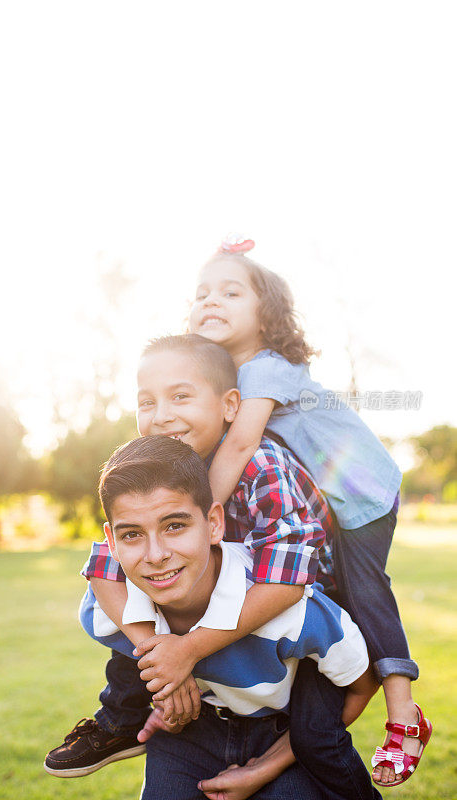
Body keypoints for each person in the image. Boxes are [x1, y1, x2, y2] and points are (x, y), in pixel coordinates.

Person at [45, 334, 382, 800]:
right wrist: (160, 656)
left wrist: (186, 653)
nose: (161, 415)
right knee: (140, 616)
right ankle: (122, 719)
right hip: (201, 591)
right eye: (147, 401)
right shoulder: (155, 470)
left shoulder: (261, 462)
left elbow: (287, 580)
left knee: (314, 734)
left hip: (302, 600)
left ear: (230, 406)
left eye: (180, 396)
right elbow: (104, 566)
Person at [187, 235, 432, 788]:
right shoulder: (226, 377)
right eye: (201, 292)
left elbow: (241, 446)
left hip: (361, 494)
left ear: (266, 313)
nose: (211, 301)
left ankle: (404, 712)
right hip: (327, 505)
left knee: (365, 593)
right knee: (332, 617)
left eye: (230, 291)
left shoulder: (265, 368)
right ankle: (296, 742)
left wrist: (198, 514)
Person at [81, 434, 375, 800]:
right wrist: (166, 670)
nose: (155, 555)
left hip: (281, 735)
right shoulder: (110, 605)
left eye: (175, 526)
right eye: (132, 534)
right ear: (111, 541)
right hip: (187, 732)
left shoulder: (288, 610)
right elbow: (105, 590)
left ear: (214, 523)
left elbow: (361, 684)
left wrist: (268, 764)